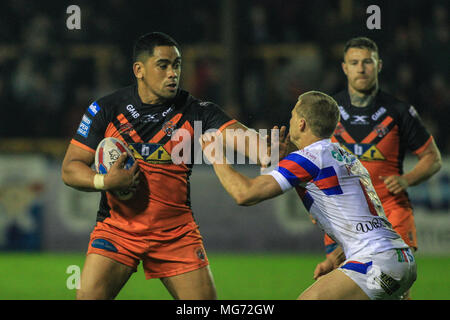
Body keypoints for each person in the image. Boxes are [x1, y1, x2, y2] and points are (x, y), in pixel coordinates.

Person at [61, 32, 269, 300]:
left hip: (175, 234)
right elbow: (70, 167)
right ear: (139, 70)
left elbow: (250, 143)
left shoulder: (197, 111)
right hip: (118, 230)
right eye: (163, 65)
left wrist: (270, 151)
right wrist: (105, 182)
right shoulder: (106, 108)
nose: (173, 73)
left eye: (177, 65)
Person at [200, 91, 417, 300]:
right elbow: (361, 221)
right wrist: (335, 257)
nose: (291, 119)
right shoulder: (344, 155)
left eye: (293, 114)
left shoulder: (309, 158)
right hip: (398, 259)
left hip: (375, 263)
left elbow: (244, 194)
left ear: (302, 123)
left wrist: (216, 156)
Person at [313, 37, 442, 285]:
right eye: (354, 62)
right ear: (344, 68)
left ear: (379, 65)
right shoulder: (329, 110)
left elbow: (432, 158)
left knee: (393, 287)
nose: (361, 68)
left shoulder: (399, 111)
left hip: (391, 211)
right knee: (345, 288)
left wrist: (407, 179)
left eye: (367, 62)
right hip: (343, 217)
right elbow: (312, 158)